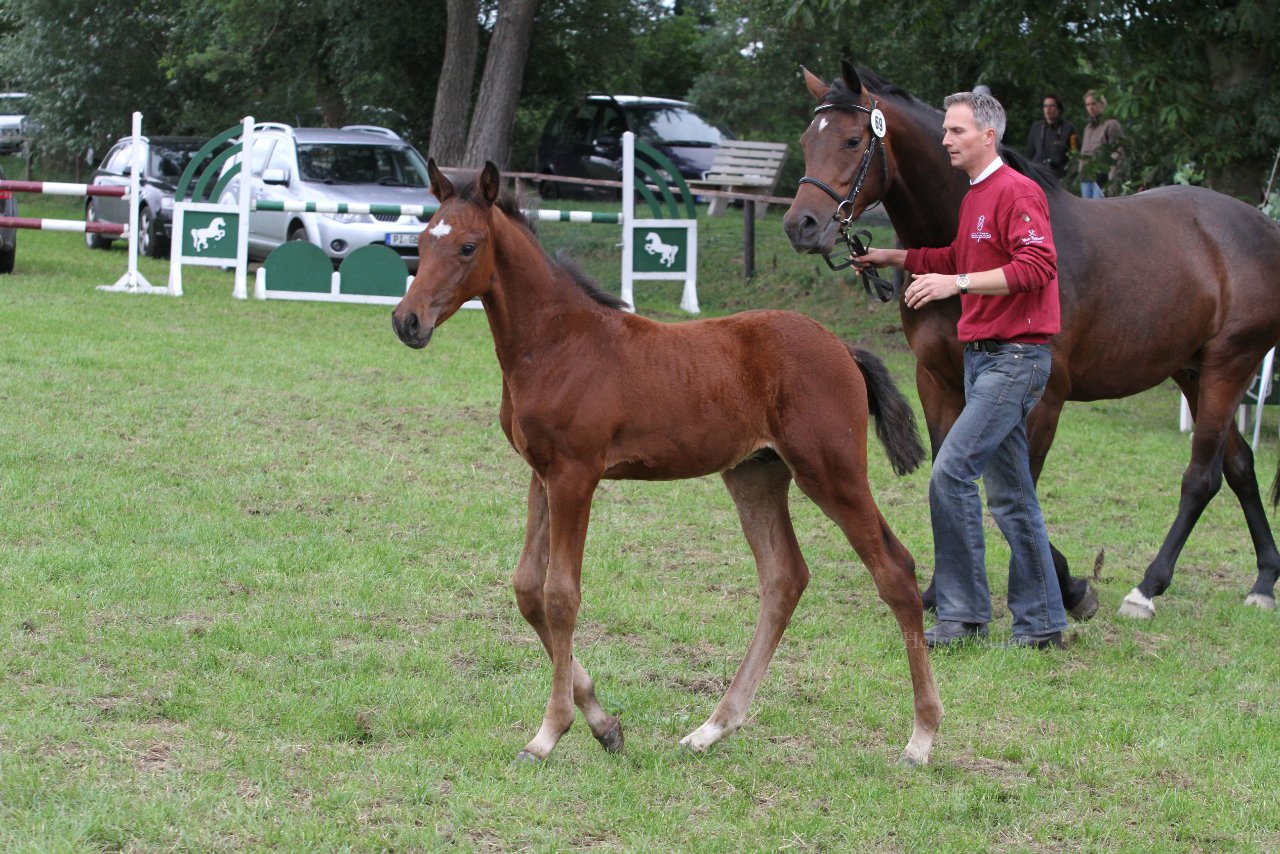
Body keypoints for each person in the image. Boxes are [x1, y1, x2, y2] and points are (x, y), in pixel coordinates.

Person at [853, 91, 1068, 650]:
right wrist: (895, 258)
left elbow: (1038, 266)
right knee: (1013, 495)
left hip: (1014, 359)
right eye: (946, 131)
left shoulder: (1019, 192)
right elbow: (958, 257)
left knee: (950, 474)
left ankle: (965, 614)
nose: (945, 140)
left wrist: (958, 286)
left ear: (988, 136)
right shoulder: (975, 197)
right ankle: (1043, 624)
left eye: (956, 132)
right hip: (983, 361)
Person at [1079, 90, 1124, 198]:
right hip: (1086, 176)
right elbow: (1083, 153)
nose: (1091, 107)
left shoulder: (1111, 124)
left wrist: (1112, 181)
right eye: (1088, 104)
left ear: (1102, 104)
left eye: (1094, 103)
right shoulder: (1088, 128)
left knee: (1099, 209)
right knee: (1086, 211)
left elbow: (1118, 153)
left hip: (1103, 176)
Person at [1024, 94, 1078, 180]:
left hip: (1058, 176)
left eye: (1051, 106)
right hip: (1037, 174)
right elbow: (1029, 152)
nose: (1048, 109)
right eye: (1045, 106)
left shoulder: (1068, 128)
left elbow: (1075, 153)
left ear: (1059, 109)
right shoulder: (1037, 127)